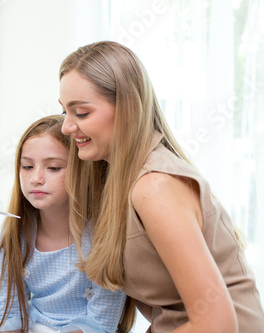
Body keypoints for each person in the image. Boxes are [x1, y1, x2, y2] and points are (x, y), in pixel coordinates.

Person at [58, 41, 264, 332]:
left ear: (128, 109)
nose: (67, 126)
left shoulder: (155, 187)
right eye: (65, 112)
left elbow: (217, 324)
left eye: (80, 113)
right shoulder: (121, 181)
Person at [0, 115, 129, 333]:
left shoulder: (104, 237)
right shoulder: (16, 234)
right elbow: (9, 315)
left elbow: (101, 324)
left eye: (53, 168)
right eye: (27, 166)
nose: (36, 179)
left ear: (84, 172)